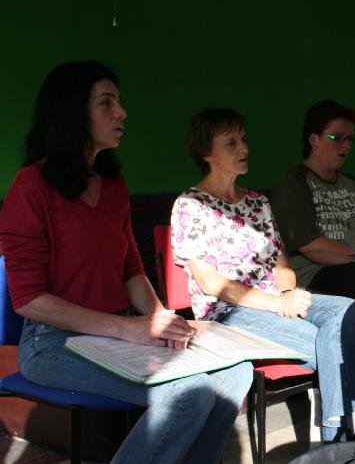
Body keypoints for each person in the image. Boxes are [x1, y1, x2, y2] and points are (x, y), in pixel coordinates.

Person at [0, 61, 253, 464]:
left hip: (118, 335)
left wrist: (161, 318)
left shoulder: (114, 185)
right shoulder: (31, 187)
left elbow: (130, 265)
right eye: (106, 102)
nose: (122, 112)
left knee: (236, 374)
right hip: (51, 343)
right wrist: (128, 328)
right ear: (71, 112)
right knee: (184, 395)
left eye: (118, 101)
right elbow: (28, 300)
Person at [170, 107, 355, 442]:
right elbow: (211, 283)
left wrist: (288, 294)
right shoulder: (191, 205)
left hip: (275, 304)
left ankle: (347, 436)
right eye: (231, 143)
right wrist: (276, 304)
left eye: (244, 140)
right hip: (227, 315)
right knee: (333, 341)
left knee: (346, 311)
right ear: (206, 153)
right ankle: (345, 438)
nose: (244, 148)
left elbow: (281, 264)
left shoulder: (257, 202)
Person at [270, 100, 355, 308]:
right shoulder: (294, 183)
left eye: (350, 139)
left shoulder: (351, 183)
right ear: (314, 140)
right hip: (317, 273)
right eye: (337, 137)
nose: (346, 145)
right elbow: (309, 245)